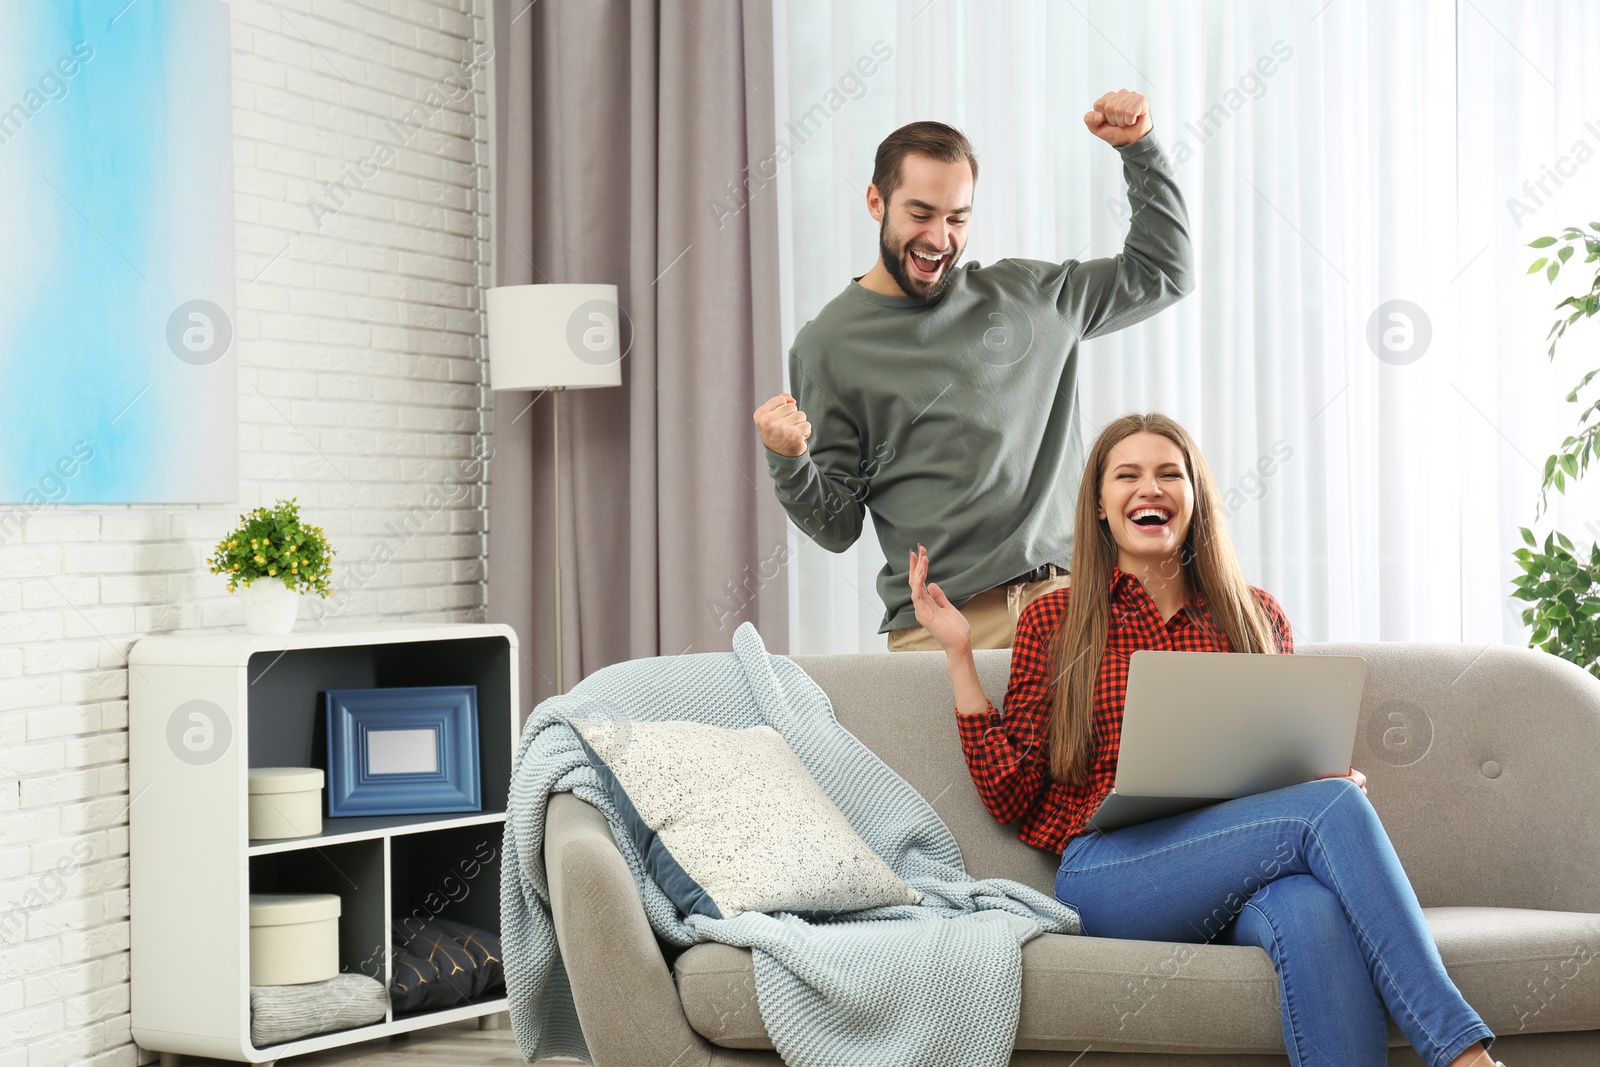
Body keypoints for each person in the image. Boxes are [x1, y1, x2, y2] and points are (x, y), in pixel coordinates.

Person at [907, 412, 1503, 1067]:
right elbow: (1010, 792)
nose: (1149, 489)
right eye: (1126, 475)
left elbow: (1284, 754)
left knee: (1311, 909)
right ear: (1101, 506)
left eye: (1169, 474)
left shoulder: (1255, 613)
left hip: (1244, 867)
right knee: (1331, 808)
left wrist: (1317, 777)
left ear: (1195, 499)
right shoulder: (1056, 618)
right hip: (1112, 873)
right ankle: (1465, 1056)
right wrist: (960, 654)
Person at [754, 91, 1194, 651]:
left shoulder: (1031, 298)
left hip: (1070, 607)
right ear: (875, 201)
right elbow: (837, 526)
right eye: (920, 214)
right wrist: (789, 460)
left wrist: (1140, 150)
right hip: (939, 627)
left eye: (957, 217)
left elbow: (1165, 272)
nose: (940, 239)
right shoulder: (827, 347)